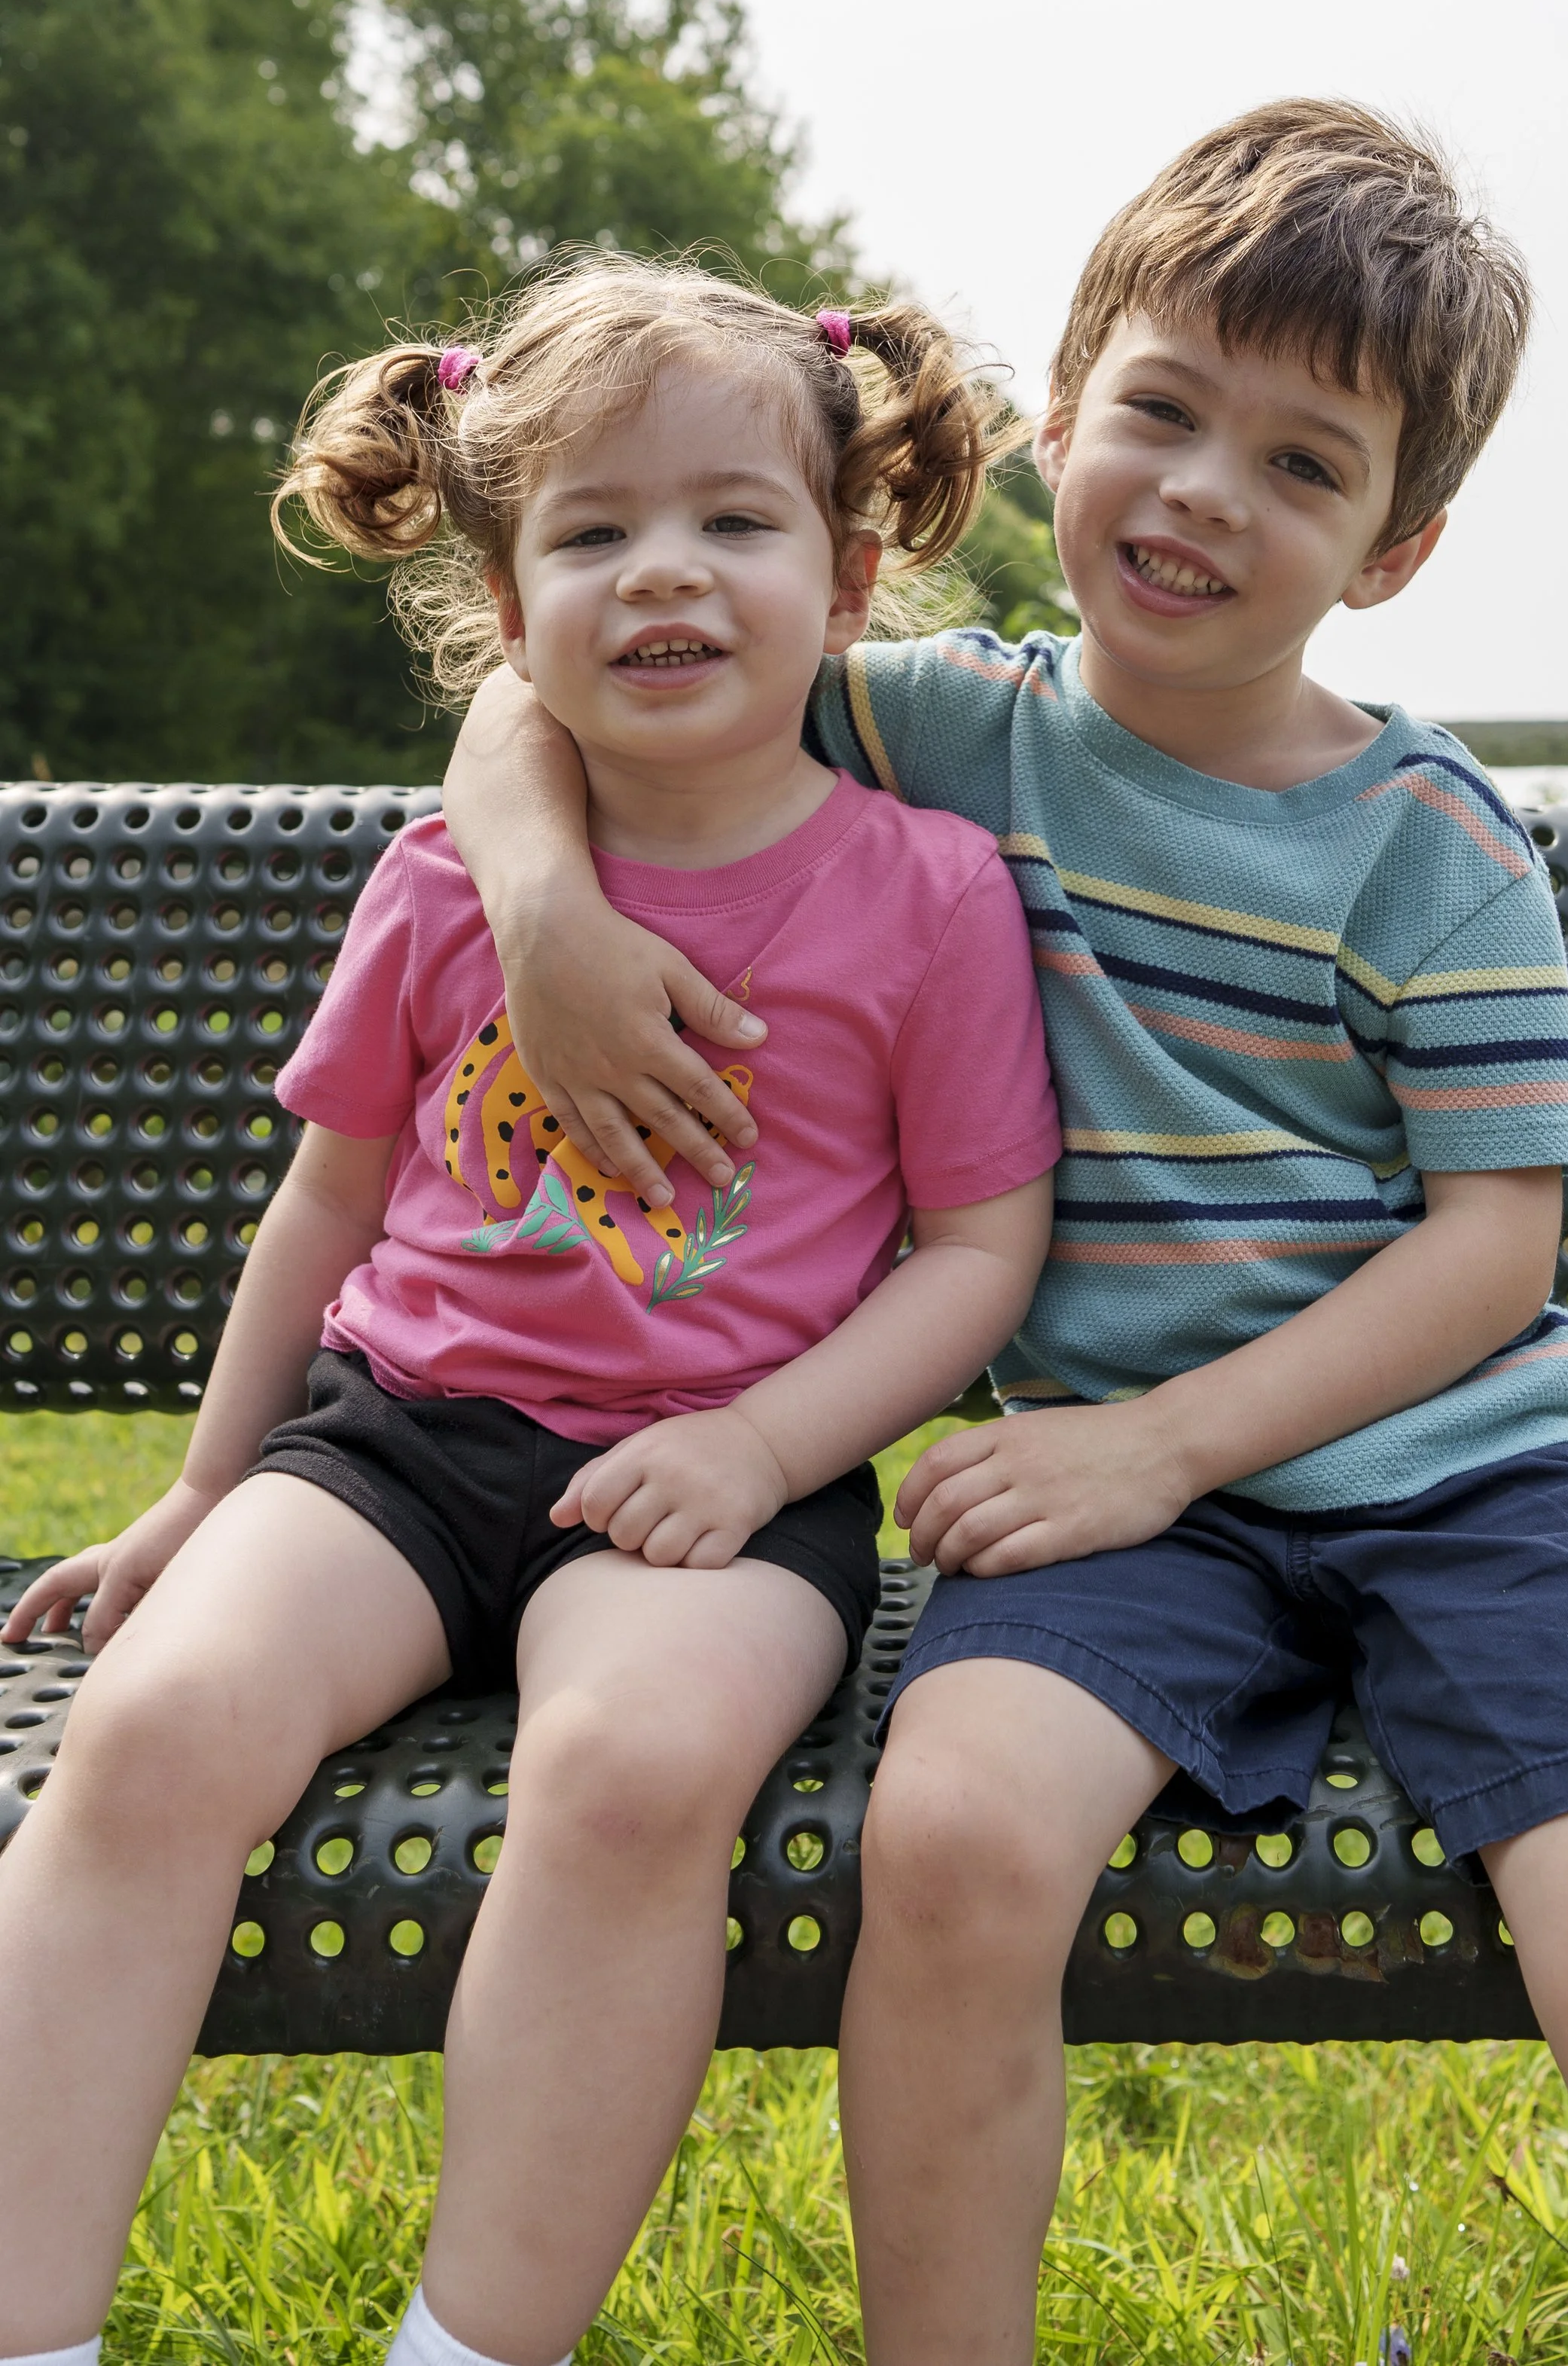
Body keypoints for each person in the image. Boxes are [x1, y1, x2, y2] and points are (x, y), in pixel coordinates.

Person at [438, 102, 1568, 2366]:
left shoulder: (1428, 844)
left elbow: (1495, 1245)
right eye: (1164, 412)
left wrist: (1169, 1438)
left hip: (1461, 1476)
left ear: (1392, 546)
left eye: (1302, 464)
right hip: (1110, 1505)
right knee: (958, 1848)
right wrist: (538, 907)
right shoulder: (938, 726)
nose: (1201, 491)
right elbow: (533, 679)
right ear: (1056, 416)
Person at [0, 261, 1060, 2366]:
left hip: (723, 1482)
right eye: (592, 531)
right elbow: (334, 1195)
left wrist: (763, 1447)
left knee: (632, 1769)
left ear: (845, 580)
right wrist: (211, 1486)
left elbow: (978, 1250)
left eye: (731, 521)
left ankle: (470, 2345)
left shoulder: (923, 894)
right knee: (148, 1728)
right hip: (396, 1440)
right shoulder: (439, 881)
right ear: (507, 608)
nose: (662, 570)